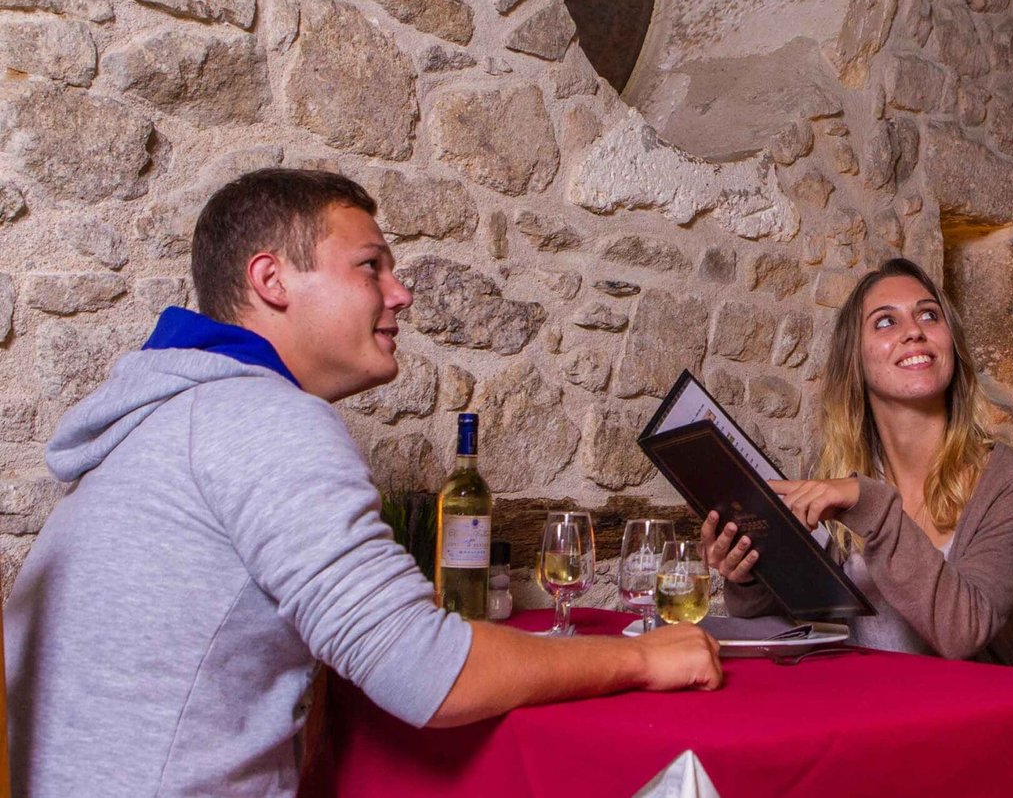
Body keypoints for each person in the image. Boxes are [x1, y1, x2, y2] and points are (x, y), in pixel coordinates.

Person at [4, 169, 721, 797]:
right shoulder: (258, 416)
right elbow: (426, 673)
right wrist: (641, 656)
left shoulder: (171, 416)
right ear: (272, 281)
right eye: (371, 266)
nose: (400, 293)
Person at [701, 258, 1013, 666]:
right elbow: (795, 625)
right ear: (856, 361)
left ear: (951, 344)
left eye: (929, 315)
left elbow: (963, 632)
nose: (914, 331)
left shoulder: (1009, 482)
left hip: (973, 702)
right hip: (859, 698)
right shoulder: (834, 472)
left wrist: (868, 502)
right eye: (885, 322)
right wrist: (750, 576)